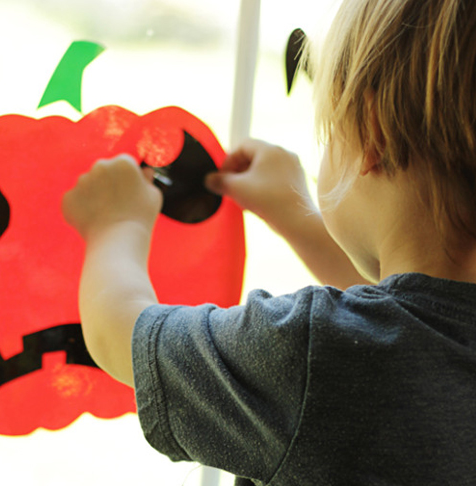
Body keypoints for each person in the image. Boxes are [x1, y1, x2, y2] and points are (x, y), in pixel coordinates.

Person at [62, 0, 476, 483]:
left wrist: (116, 225)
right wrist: (297, 215)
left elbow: (120, 337)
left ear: (374, 138)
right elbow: (421, 322)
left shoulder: (317, 356)